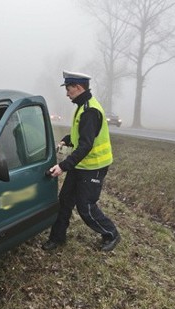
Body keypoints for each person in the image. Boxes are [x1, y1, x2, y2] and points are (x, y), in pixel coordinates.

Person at [42, 71, 121, 252]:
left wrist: (62, 166)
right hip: (81, 164)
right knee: (64, 201)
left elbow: (86, 145)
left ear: (78, 87)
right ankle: (57, 238)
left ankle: (111, 233)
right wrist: (68, 139)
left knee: (85, 207)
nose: (67, 93)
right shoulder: (82, 106)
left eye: (69, 89)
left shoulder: (90, 111)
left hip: (94, 166)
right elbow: (82, 135)